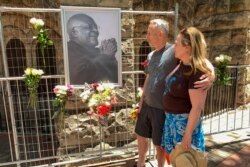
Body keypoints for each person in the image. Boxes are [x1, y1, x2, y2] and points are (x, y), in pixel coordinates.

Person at [134, 19, 214, 167]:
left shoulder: (174, 53)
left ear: (160, 33)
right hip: (162, 115)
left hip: (175, 120)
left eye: (149, 33)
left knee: (175, 154)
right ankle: (141, 163)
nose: (147, 37)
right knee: (171, 156)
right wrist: (141, 102)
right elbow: (149, 78)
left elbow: (201, 60)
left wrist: (211, 74)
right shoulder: (158, 57)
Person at [161, 27, 211, 164]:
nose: (173, 46)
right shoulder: (181, 63)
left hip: (183, 127)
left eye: (177, 43)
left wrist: (187, 136)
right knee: (177, 161)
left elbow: (197, 107)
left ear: (188, 47)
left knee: (186, 162)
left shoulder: (196, 73)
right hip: (172, 123)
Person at [66, 13, 118, 85]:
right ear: (75, 32)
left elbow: (114, 78)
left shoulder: (96, 51)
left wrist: (111, 56)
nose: (96, 31)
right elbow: (80, 78)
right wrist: (106, 56)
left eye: (96, 27)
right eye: (89, 27)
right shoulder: (69, 50)